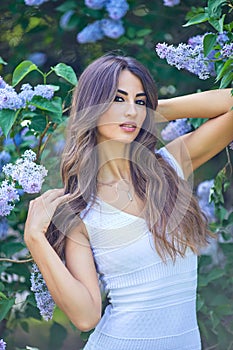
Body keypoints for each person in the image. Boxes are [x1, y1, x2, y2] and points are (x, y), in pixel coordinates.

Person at [24, 54, 233, 350]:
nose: (131, 111)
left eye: (139, 100)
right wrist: (34, 238)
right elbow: (86, 317)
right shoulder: (81, 208)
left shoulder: (169, 168)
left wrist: (153, 111)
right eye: (118, 99)